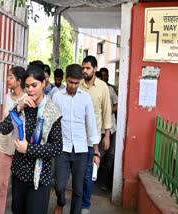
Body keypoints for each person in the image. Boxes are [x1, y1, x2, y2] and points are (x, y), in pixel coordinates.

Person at [0, 65, 62, 214]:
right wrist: (19, 106)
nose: (30, 90)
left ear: (43, 83)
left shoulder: (52, 112)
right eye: (27, 86)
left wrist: (28, 149)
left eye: (34, 85)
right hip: (20, 172)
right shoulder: (22, 106)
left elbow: (57, 147)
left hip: (39, 178)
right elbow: (4, 128)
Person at [52, 64, 99, 214]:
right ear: (66, 79)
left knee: (78, 189)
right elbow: (52, 121)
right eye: (71, 82)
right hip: (62, 148)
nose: (73, 86)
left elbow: (91, 124)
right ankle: (60, 202)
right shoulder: (57, 96)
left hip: (81, 149)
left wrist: (96, 152)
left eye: (76, 83)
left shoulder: (85, 98)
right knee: (59, 185)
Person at [79, 56, 112, 214]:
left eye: (87, 68)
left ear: (95, 69)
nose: (84, 71)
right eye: (83, 68)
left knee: (87, 175)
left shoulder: (103, 87)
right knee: (77, 174)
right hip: (77, 138)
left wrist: (107, 135)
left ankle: (85, 205)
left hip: (93, 140)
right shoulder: (78, 84)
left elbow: (106, 112)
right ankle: (76, 203)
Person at [0, 66, 27, 214]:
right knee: (1, 186)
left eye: (11, 77)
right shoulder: (7, 97)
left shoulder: (28, 99)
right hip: (5, 145)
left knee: (19, 185)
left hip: (21, 147)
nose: (8, 79)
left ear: (19, 81)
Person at [98, 67, 118, 191]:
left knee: (110, 156)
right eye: (102, 76)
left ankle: (105, 183)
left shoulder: (111, 90)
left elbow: (117, 104)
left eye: (106, 76)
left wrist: (108, 111)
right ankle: (93, 178)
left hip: (112, 129)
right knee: (99, 154)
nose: (104, 78)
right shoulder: (94, 90)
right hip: (98, 130)